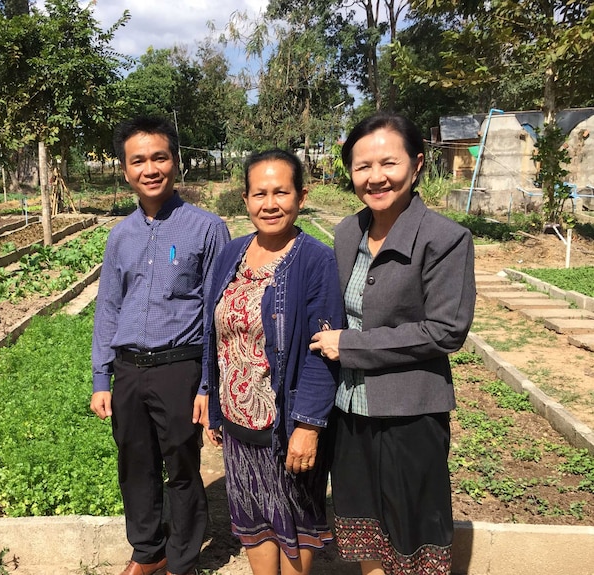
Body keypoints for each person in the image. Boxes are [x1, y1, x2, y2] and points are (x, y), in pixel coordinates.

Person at [309, 113, 476, 575]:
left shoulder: (445, 239)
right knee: (363, 524)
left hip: (410, 412)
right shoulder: (347, 232)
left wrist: (353, 346)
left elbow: (446, 330)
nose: (375, 177)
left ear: (417, 164)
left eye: (389, 163)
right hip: (349, 410)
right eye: (362, 166)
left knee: (410, 527)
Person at [90, 115, 231, 575]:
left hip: (180, 367)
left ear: (176, 162)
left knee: (183, 467)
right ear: (125, 169)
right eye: (139, 161)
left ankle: (184, 560)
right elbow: (108, 307)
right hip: (128, 369)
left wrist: (208, 384)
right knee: (135, 465)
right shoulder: (120, 235)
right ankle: (148, 552)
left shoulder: (207, 229)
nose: (150, 168)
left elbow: (216, 313)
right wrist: (101, 377)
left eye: (159, 157)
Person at [202, 149, 344, 575]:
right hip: (239, 428)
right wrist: (212, 404)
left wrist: (308, 425)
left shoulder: (316, 260)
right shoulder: (232, 254)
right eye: (259, 193)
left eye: (281, 192)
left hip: (286, 431)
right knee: (254, 526)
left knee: (295, 530)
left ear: (301, 196)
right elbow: (215, 334)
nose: (270, 203)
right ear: (244, 199)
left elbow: (322, 349)